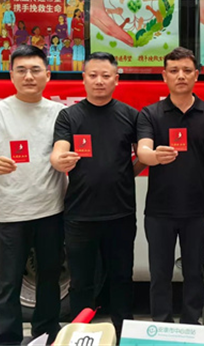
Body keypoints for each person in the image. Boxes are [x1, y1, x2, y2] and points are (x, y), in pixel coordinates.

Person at [0, 45, 65, 346]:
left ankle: (46, 334)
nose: (29, 76)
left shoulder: (60, 114)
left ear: (47, 75)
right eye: (21, 70)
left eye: (35, 70)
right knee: (7, 283)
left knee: (49, 279)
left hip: (51, 210)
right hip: (10, 213)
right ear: (11, 75)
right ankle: (5, 340)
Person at [51, 52, 145, 337]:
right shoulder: (69, 116)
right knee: (81, 283)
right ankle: (80, 336)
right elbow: (58, 152)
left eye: (106, 76)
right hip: (80, 215)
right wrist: (59, 161)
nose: (99, 81)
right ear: (83, 79)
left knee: (121, 279)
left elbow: (142, 156)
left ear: (116, 79)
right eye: (93, 75)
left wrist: (126, 172)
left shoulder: (130, 115)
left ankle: (123, 334)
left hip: (121, 213)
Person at [136, 47, 204, 324]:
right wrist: (154, 156)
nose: (181, 76)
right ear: (164, 76)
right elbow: (142, 151)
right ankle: (161, 326)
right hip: (159, 211)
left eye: (187, 70)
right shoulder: (150, 114)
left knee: (194, 274)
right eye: (174, 71)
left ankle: (190, 326)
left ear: (196, 75)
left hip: (198, 211)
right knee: (159, 274)